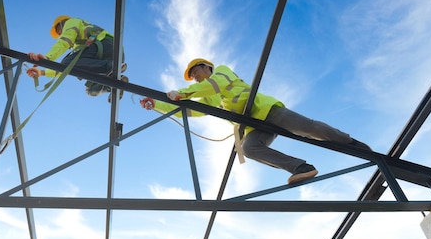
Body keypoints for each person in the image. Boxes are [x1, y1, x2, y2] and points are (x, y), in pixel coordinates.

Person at [139, 58, 371, 184]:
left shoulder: (221, 72)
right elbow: (192, 111)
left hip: (267, 111)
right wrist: (158, 104)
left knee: (308, 128)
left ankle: (350, 143)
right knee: (250, 149)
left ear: (205, 66)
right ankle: (302, 167)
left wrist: (183, 92)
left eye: (195, 72)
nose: (194, 76)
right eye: (191, 76)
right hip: (253, 126)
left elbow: (209, 86)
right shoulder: (207, 94)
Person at [27, 15, 127, 100]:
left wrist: (48, 57)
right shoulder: (78, 46)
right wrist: (42, 72)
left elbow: (65, 41)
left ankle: (112, 67)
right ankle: (114, 85)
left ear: (62, 23)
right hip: (109, 55)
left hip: (109, 45)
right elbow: (65, 69)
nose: (61, 33)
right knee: (90, 90)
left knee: (68, 62)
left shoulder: (71, 22)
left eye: (59, 30)